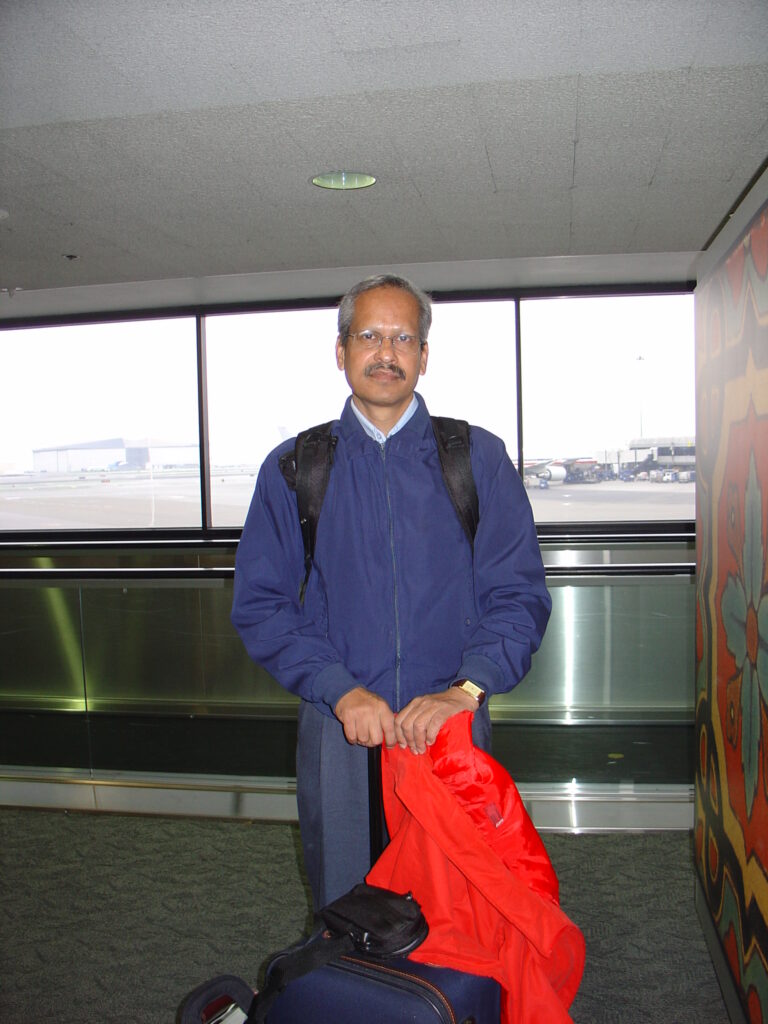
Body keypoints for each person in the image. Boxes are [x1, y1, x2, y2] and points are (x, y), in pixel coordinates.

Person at [231, 274, 551, 908]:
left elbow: (518, 594)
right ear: (343, 351)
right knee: (349, 900)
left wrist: (467, 689)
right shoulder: (296, 467)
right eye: (369, 335)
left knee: (462, 898)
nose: (386, 352)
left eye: (404, 337)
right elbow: (263, 605)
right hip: (341, 725)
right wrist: (339, 690)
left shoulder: (475, 457)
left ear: (424, 355)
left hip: (451, 724)